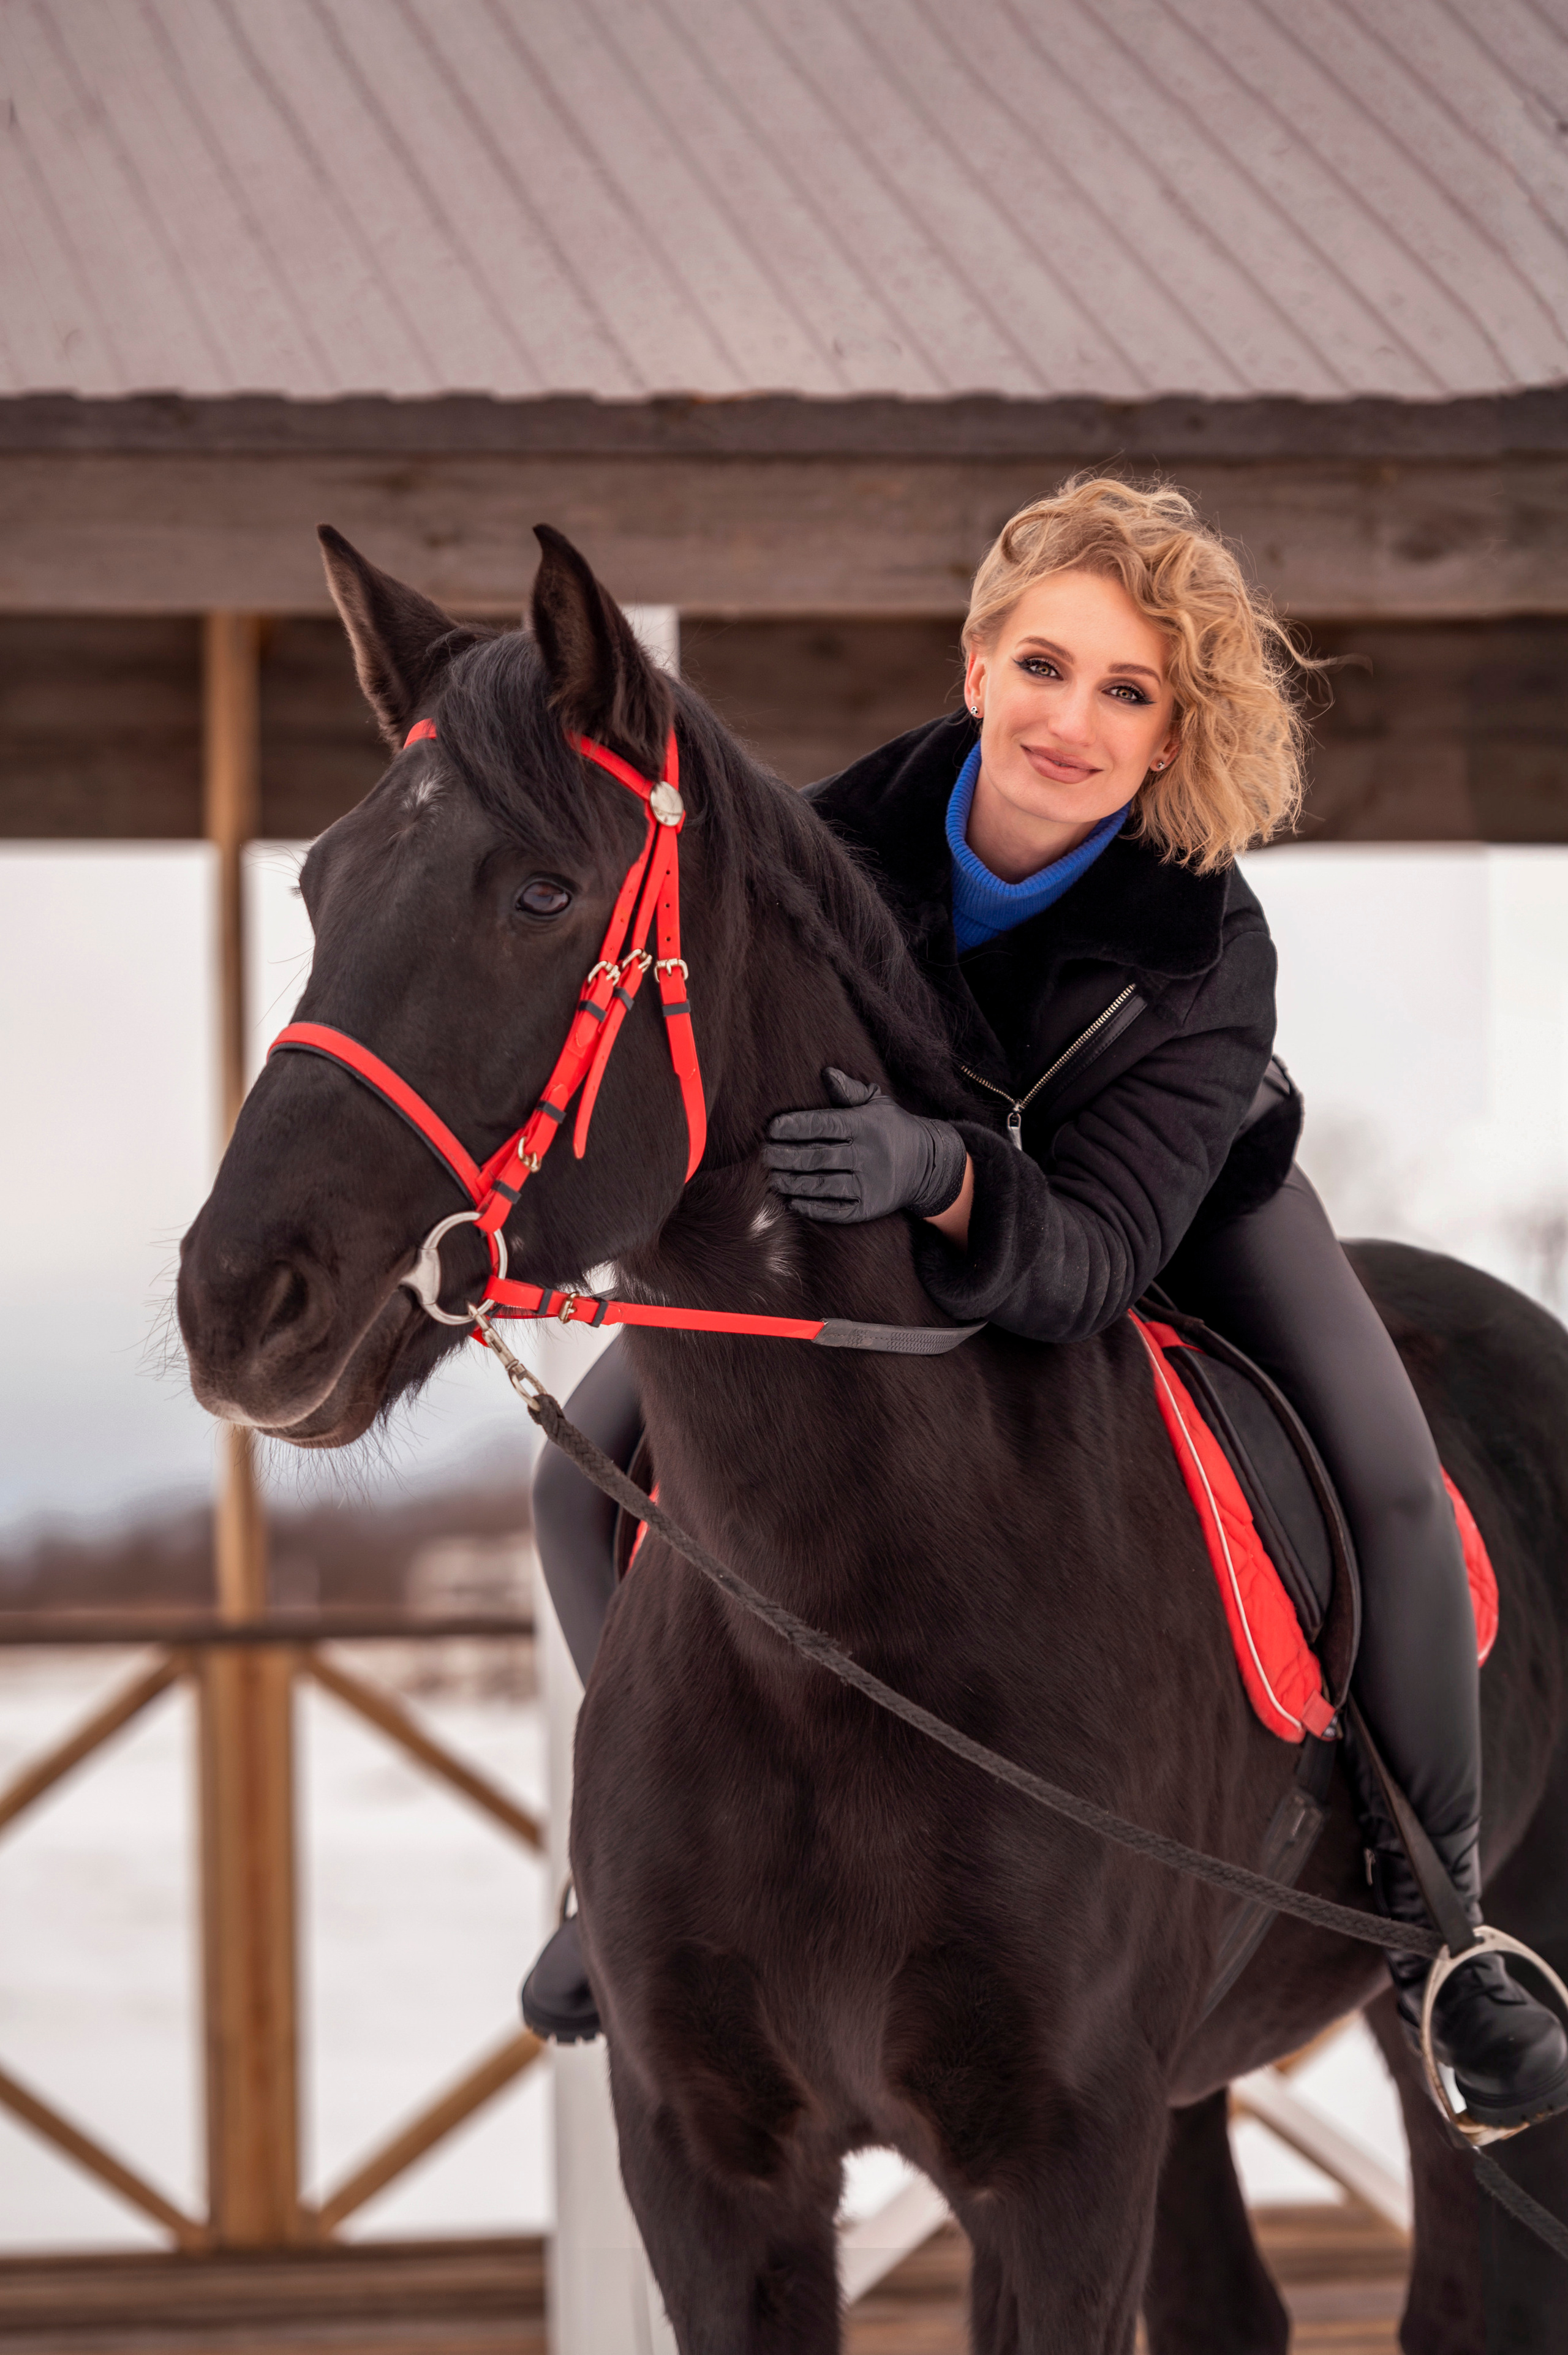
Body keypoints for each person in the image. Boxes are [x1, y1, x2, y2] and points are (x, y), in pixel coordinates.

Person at [522, 477, 1568, 2131]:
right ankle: (625, 1878)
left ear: (1171, 733)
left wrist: (940, 1175)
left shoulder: (1206, 945)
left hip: (1171, 1211)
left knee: (1392, 1488)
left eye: (1128, 691)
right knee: (572, 1492)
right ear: (975, 667)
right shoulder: (810, 860)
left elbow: (1084, 1261)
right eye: (1045, 667)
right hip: (868, 1228)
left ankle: (1453, 1930)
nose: (1072, 721)